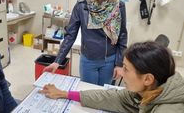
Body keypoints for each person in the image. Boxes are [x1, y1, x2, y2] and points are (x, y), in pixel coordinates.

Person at [39, 41, 184, 113]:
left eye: (126, 69)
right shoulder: (146, 91)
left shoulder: (169, 109)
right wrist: (64, 93)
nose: (121, 73)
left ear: (147, 79)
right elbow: (110, 97)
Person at [44, 0, 127, 85]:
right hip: (88, 61)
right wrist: (57, 61)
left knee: (103, 96)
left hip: (109, 61)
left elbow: (122, 35)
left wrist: (120, 64)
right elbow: (70, 35)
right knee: (87, 94)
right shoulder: (82, 6)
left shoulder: (119, 6)